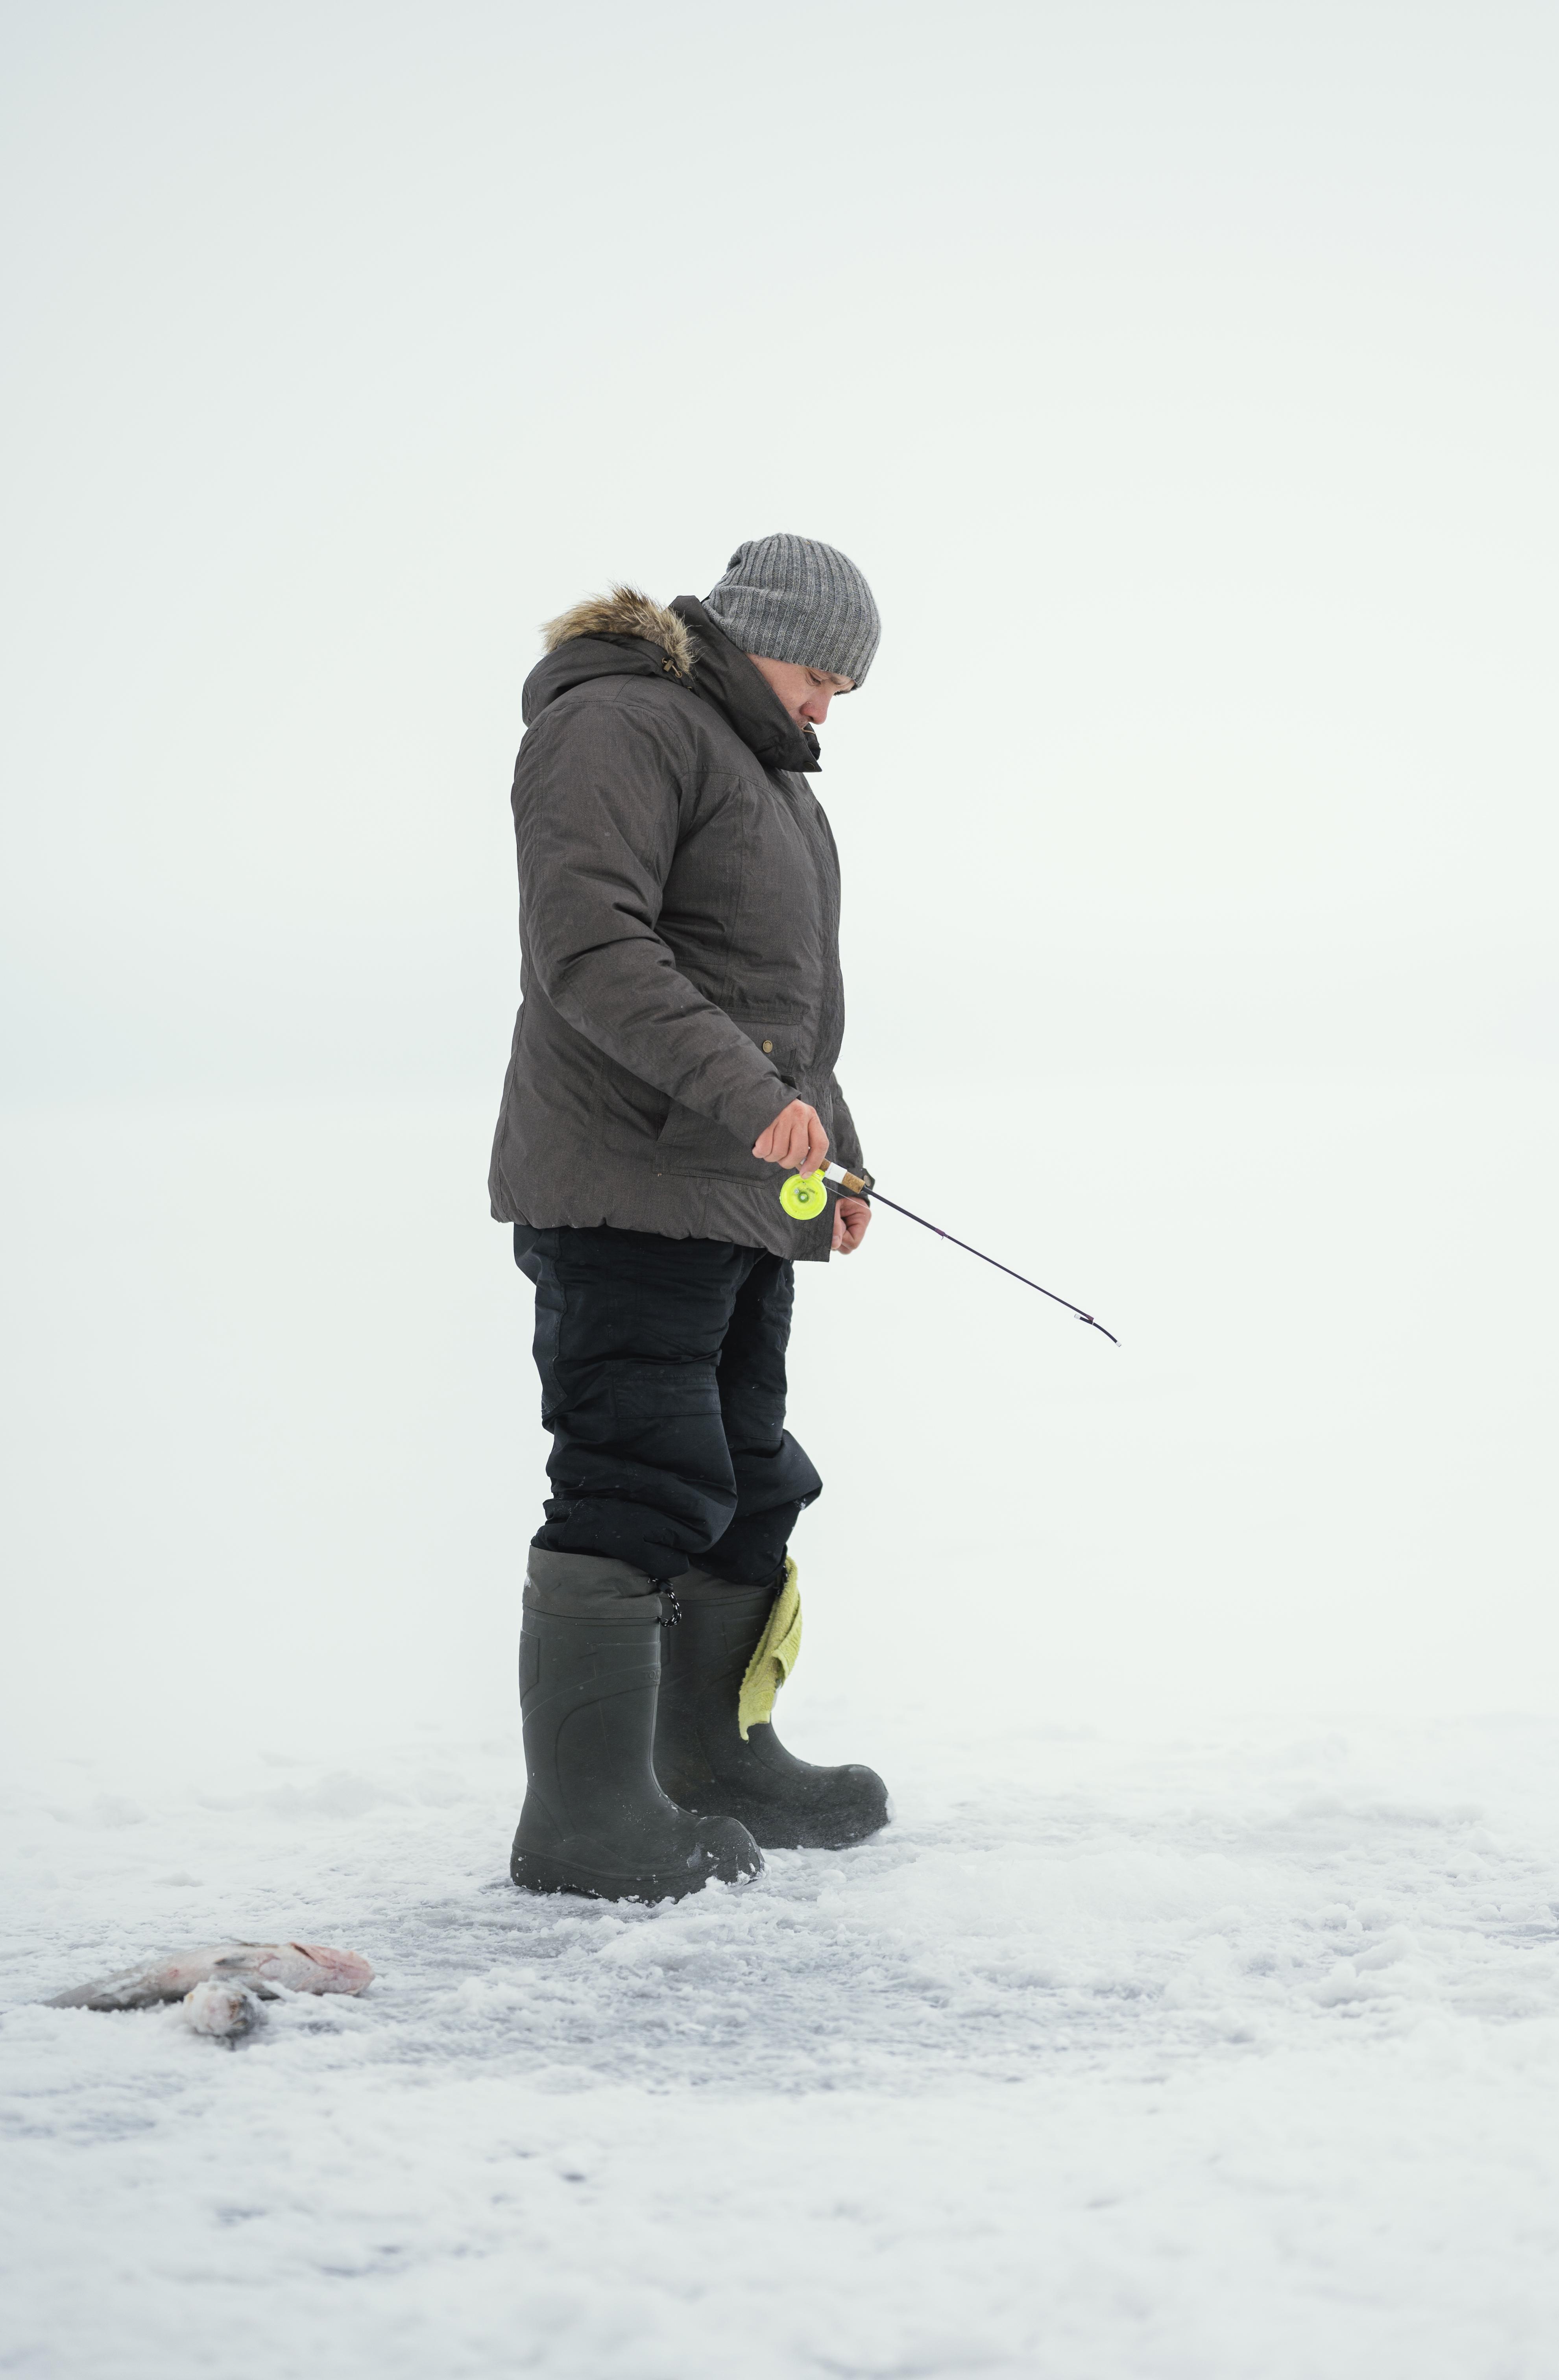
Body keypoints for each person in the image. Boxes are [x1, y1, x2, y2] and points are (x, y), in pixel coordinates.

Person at [489, 534, 889, 1902]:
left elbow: (786, 1005)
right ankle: (586, 1820)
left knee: (744, 1472)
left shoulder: (769, 776)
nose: (829, 706)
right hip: (627, 1183)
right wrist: (744, 1097)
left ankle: (711, 1760)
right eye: (819, 673)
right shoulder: (620, 724)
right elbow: (590, 950)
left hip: (733, 1189)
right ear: (751, 634)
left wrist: (838, 1155)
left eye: (848, 686)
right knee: (635, 1476)